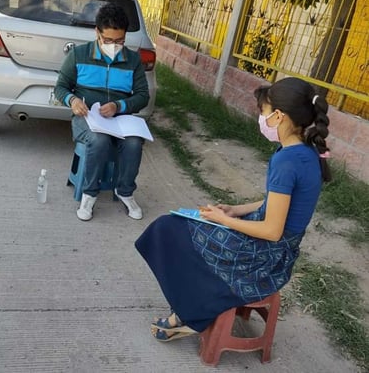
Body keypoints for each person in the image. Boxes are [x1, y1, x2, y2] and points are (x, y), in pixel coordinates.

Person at [135, 77, 331, 342]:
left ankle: (190, 312)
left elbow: (272, 231)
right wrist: (234, 210)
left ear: (278, 116)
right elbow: (276, 203)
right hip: (280, 250)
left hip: (265, 256)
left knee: (166, 229)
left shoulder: (287, 160)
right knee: (183, 225)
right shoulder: (306, 151)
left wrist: (223, 221)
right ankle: (191, 305)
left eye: (262, 112)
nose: (260, 118)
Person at [54, 2, 150, 221]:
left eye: (120, 41)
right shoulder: (79, 55)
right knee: (100, 140)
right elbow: (60, 87)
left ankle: (125, 191)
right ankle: (89, 193)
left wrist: (120, 106)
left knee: (135, 143)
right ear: (97, 32)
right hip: (87, 118)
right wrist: (73, 100)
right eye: (108, 40)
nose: (114, 46)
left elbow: (143, 95)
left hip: (120, 120)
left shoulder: (133, 60)